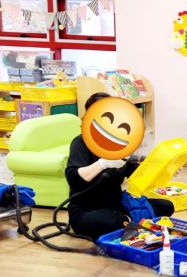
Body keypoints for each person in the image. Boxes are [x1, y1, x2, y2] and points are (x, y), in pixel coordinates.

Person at [65, 93, 174, 241]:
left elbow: (136, 173)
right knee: (112, 220)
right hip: (86, 211)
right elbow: (73, 177)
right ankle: (127, 222)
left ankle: (127, 222)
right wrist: (102, 164)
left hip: (117, 205)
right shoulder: (81, 142)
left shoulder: (119, 144)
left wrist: (166, 169)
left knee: (166, 206)